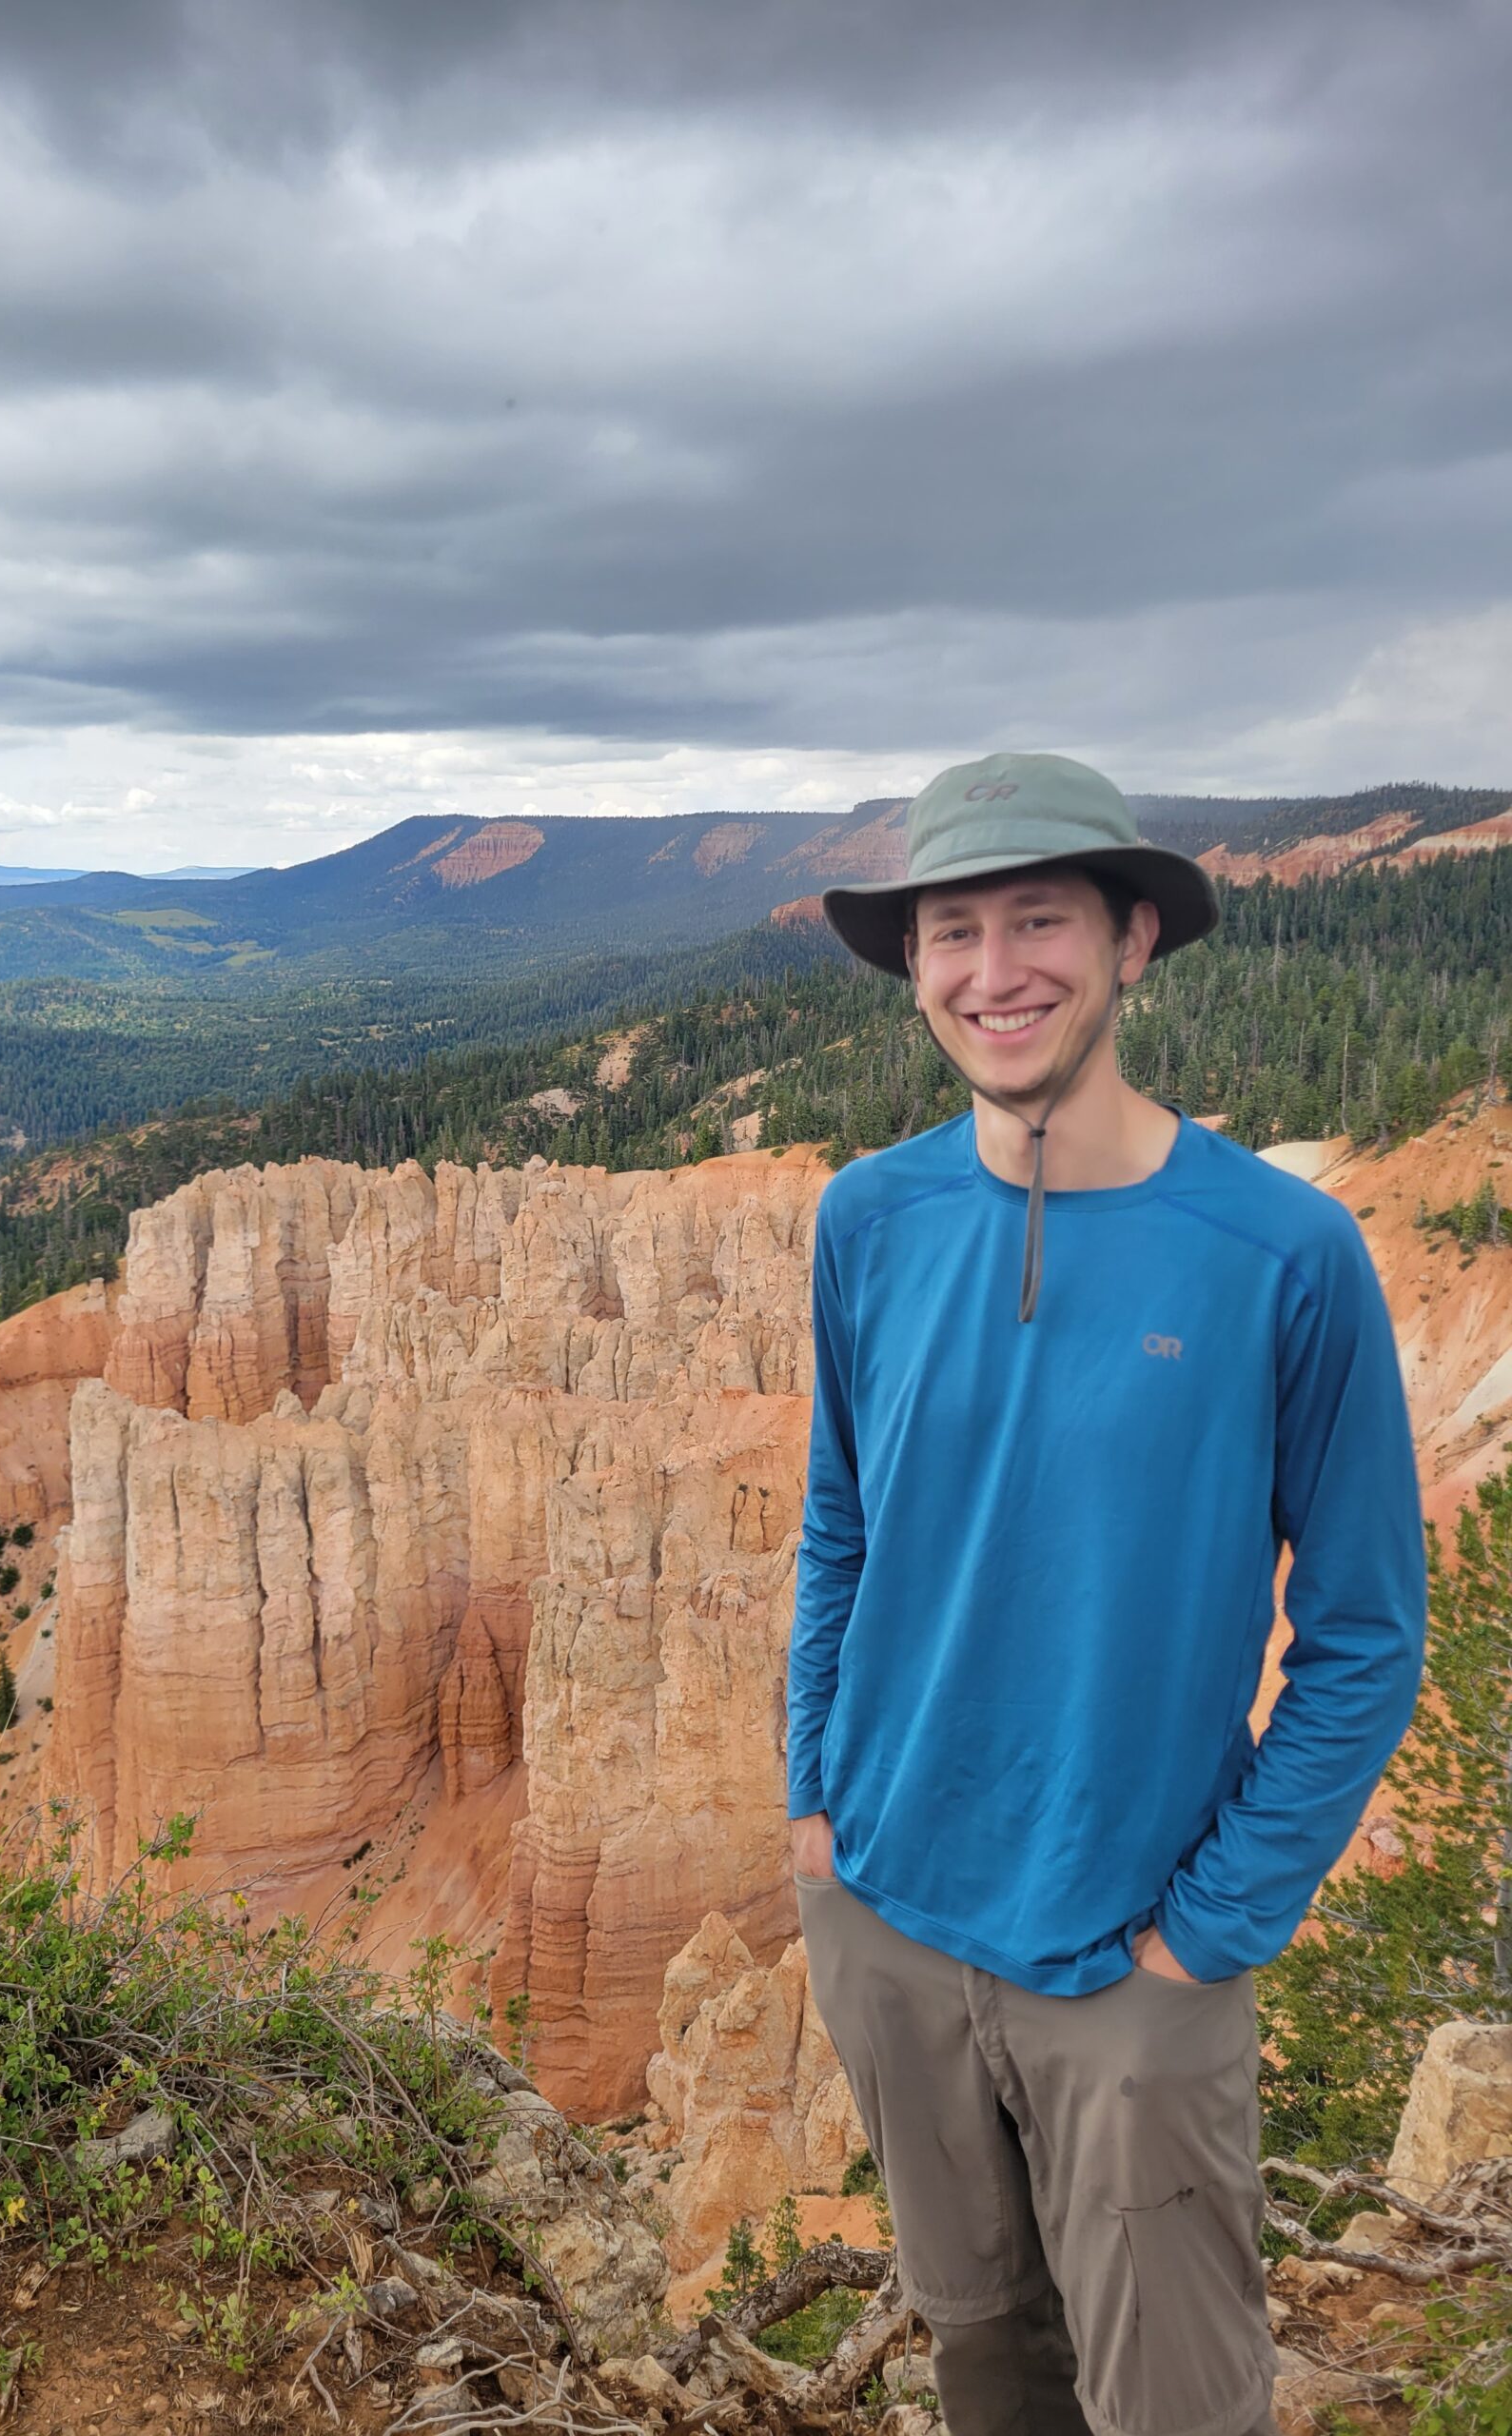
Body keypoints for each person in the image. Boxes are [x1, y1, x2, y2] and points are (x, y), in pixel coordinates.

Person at [787, 750, 1427, 2436]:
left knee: (1173, 2403)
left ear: (1134, 939)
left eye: (1039, 920)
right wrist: (813, 1813)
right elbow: (840, 1529)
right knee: (985, 2358)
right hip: (889, 1918)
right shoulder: (871, 1219)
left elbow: (1364, 1636)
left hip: (1124, 1972)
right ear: (913, 965)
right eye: (952, 931)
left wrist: (1201, 1943)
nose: (995, 972)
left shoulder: (1284, 1256)